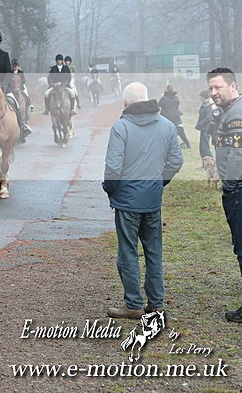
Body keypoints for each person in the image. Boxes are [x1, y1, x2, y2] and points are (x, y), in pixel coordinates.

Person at [103, 82, 184, 319]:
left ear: (126, 102)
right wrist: (159, 183)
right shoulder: (167, 126)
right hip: (152, 200)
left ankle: (133, 304)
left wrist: (110, 190)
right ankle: (156, 303)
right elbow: (176, 162)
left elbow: (113, 168)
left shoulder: (121, 127)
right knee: (154, 252)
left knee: (128, 252)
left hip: (127, 202)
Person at [208, 67, 242, 322]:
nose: (213, 92)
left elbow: (239, 154)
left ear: (233, 86)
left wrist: (229, 184)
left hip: (241, 191)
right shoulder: (234, 110)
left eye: (218, 87)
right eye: (210, 88)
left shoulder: (236, 114)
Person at [158, 85, 192, 149]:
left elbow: (159, 104)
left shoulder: (164, 98)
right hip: (177, 117)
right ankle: (188, 145)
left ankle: (167, 145)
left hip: (167, 118)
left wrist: (163, 96)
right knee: (181, 133)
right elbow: (177, 104)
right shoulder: (176, 98)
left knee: (166, 133)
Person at [196, 88, 215, 162]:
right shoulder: (206, 104)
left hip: (206, 128)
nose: (199, 98)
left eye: (200, 96)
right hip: (204, 128)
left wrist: (200, 124)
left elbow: (208, 117)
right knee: (202, 147)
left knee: (205, 147)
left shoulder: (208, 105)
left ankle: (210, 163)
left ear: (203, 97)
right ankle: (205, 164)